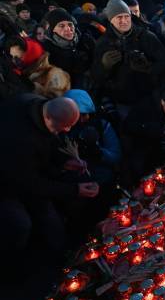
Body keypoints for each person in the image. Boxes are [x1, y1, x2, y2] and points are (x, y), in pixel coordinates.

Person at [0, 94, 99, 263]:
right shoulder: (20, 139)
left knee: (50, 214)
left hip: (28, 172)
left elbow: (49, 143)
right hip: (7, 183)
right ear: (47, 117)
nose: (66, 131)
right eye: (63, 127)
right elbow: (31, 184)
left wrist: (64, 162)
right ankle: (15, 265)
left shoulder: (41, 105)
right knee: (21, 224)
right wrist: (75, 190)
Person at [91, 0, 165, 117]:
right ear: (111, 20)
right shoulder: (103, 43)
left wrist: (149, 68)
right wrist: (104, 66)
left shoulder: (146, 36)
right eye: (119, 17)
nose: (124, 21)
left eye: (126, 16)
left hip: (149, 98)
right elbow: (96, 78)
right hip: (121, 102)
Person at [63, 89, 121, 186]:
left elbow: (116, 156)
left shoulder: (101, 126)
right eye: (76, 114)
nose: (81, 119)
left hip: (99, 173)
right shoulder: (60, 127)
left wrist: (98, 151)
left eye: (84, 114)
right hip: (72, 176)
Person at [43, 8, 95, 89]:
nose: (68, 29)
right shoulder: (47, 50)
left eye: (70, 24)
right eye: (61, 26)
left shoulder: (85, 41)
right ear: (52, 30)